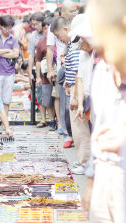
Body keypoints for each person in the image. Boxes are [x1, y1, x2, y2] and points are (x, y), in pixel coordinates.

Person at [80, 0, 126, 222]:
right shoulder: (102, 73)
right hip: (104, 176)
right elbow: (97, 132)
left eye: (102, 40)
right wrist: (91, 183)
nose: (96, 48)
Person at [46, 0, 78, 137]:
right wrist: (50, 69)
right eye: (71, 11)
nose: (74, 13)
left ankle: (70, 133)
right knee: (63, 101)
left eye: (75, 10)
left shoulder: (77, 28)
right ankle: (66, 131)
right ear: (62, 11)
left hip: (73, 71)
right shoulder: (56, 28)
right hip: (63, 68)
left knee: (71, 104)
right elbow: (49, 49)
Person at [0, 15, 19, 118]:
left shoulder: (14, 39)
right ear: (0, 26)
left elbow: (15, 54)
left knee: (6, 100)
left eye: (10, 27)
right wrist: (7, 50)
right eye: (6, 27)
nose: (8, 30)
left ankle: (4, 122)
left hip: (9, 73)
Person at [35, 17, 56, 130]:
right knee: (47, 99)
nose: (47, 29)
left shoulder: (59, 40)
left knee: (57, 99)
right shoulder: (41, 42)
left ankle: (56, 120)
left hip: (57, 73)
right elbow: (37, 60)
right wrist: (38, 76)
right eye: (45, 27)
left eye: (49, 26)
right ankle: (52, 120)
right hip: (45, 75)